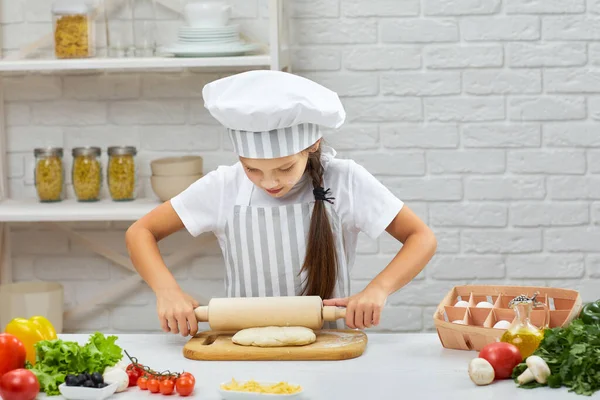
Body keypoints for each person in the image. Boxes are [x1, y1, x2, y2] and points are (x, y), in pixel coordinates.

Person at [125, 70, 437, 337]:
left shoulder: (345, 180)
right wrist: (167, 291)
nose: (269, 182)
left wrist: (378, 289)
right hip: (242, 345)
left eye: (285, 168)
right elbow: (141, 232)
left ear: (312, 146)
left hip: (327, 345)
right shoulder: (224, 186)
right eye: (253, 170)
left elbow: (421, 238)